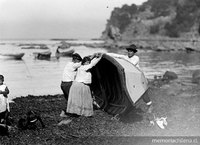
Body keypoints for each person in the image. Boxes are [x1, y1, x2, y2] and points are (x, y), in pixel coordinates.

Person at [107, 44, 152, 111]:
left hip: (138, 77)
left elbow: (131, 65)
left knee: (142, 91)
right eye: (128, 51)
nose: (129, 52)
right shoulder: (125, 57)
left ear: (134, 52)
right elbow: (115, 55)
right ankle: (130, 105)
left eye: (131, 51)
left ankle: (149, 105)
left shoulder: (136, 58)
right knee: (129, 90)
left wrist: (122, 61)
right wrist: (103, 54)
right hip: (130, 76)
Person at [66, 53, 102, 118]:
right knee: (84, 99)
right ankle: (83, 113)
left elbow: (91, 63)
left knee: (80, 100)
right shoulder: (84, 67)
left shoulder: (81, 67)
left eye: (88, 62)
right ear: (84, 62)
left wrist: (94, 57)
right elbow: (92, 64)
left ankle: (79, 113)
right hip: (80, 85)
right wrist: (99, 58)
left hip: (78, 85)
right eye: (87, 62)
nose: (88, 63)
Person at [60, 53, 82, 117]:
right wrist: (92, 57)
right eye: (78, 61)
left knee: (69, 99)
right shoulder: (73, 65)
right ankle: (65, 112)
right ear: (75, 60)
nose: (78, 62)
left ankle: (69, 112)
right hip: (67, 84)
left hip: (63, 84)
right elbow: (82, 63)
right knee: (73, 98)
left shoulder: (68, 64)